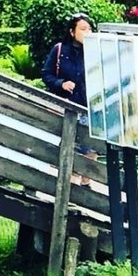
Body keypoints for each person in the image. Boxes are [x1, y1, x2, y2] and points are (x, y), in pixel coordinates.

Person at [42, 13, 96, 186]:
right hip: (68, 105)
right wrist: (61, 83)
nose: (87, 32)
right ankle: (69, 185)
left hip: (89, 105)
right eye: (83, 29)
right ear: (72, 32)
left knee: (90, 147)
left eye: (89, 28)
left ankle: (86, 184)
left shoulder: (96, 50)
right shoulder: (60, 50)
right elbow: (46, 74)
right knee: (70, 146)